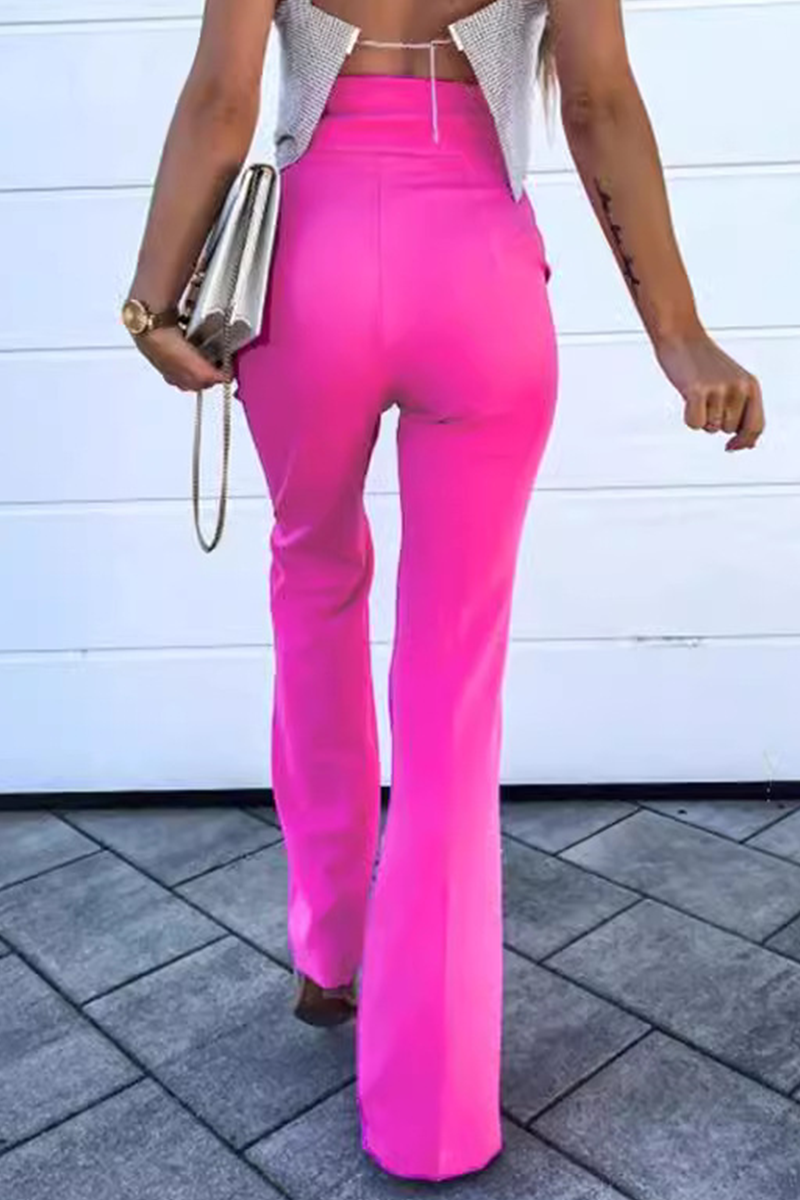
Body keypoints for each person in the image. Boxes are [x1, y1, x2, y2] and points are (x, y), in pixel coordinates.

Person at [119, 0, 766, 1183]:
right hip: (479, 276)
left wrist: (150, 300)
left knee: (313, 583)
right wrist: (680, 338)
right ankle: (432, 1117)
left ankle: (330, 945)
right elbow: (596, 100)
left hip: (310, 272)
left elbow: (221, 101)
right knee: (452, 688)